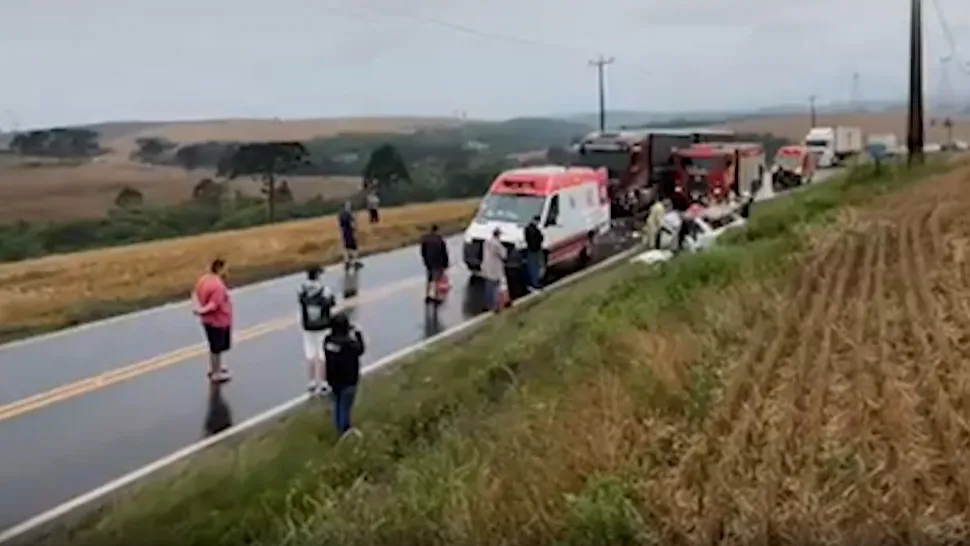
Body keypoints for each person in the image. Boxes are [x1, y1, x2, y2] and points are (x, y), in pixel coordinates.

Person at [323, 312, 366, 437]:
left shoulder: (328, 341)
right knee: (345, 407)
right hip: (348, 381)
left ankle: (338, 428)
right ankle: (344, 432)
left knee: (337, 405)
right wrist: (357, 333)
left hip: (333, 379)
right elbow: (361, 349)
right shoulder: (349, 344)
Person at [193, 258, 233, 383]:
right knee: (217, 348)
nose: (228, 273)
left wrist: (197, 307)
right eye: (226, 269)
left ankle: (216, 368)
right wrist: (202, 310)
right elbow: (214, 305)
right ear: (219, 269)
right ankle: (216, 373)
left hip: (208, 321)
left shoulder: (204, 279)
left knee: (214, 347)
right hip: (218, 321)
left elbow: (195, 293)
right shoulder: (218, 286)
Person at [298, 264, 336, 395]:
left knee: (310, 354)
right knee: (322, 354)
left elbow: (301, 302)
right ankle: (324, 383)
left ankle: (312, 382)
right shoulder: (325, 290)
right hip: (323, 326)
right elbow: (332, 303)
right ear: (318, 276)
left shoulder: (302, 289)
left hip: (307, 327)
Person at [420, 224, 450, 303]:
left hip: (429, 262)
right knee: (436, 279)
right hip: (438, 262)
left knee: (429, 279)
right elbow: (444, 252)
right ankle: (436, 296)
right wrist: (446, 263)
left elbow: (423, 251)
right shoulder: (440, 240)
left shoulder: (425, 239)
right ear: (437, 230)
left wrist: (425, 260)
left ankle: (427, 295)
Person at [481, 227, 508, 311]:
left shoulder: (486, 242)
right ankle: (495, 305)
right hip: (495, 268)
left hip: (486, 266)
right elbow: (504, 255)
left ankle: (486, 304)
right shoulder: (497, 244)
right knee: (495, 287)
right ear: (498, 235)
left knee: (488, 286)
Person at [523, 216, 544, 291]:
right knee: (537, 267)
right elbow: (541, 237)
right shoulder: (535, 230)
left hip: (531, 249)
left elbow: (527, 239)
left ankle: (535, 283)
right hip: (535, 250)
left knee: (534, 267)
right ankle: (536, 283)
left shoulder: (527, 229)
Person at [338, 201, 362, 269]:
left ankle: (346, 262)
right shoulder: (349, 215)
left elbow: (341, 224)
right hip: (350, 232)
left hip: (344, 232)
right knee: (354, 247)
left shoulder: (341, 214)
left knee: (346, 247)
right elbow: (352, 224)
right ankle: (355, 261)